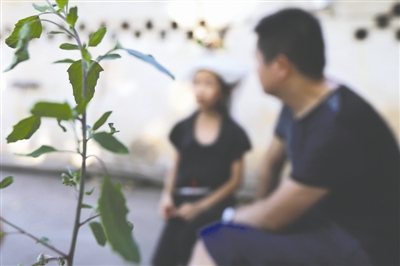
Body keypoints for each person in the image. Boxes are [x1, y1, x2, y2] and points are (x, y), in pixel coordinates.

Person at [189, 8, 400, 266]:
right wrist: (253, 221)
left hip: (361, 247)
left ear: (280, 67)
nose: (255, 70)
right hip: (323, 227)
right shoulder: (297, 105)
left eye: (258, 61)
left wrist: (234, 218)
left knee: (215, 243)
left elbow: (273, 217)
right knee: (231, 236)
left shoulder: (338, 124)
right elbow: (271, 164)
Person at [151, 57, 252, 266]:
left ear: (223, 90)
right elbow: (175, 167)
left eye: (208, 83)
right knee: (163, 257)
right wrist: (166, 197)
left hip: (214, 206)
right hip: (181, 203)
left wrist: (200, 207)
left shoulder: (234, 134)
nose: (200, 90)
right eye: (197, 82)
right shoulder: (183, 128)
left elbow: (236, 180)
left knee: (189, 241)